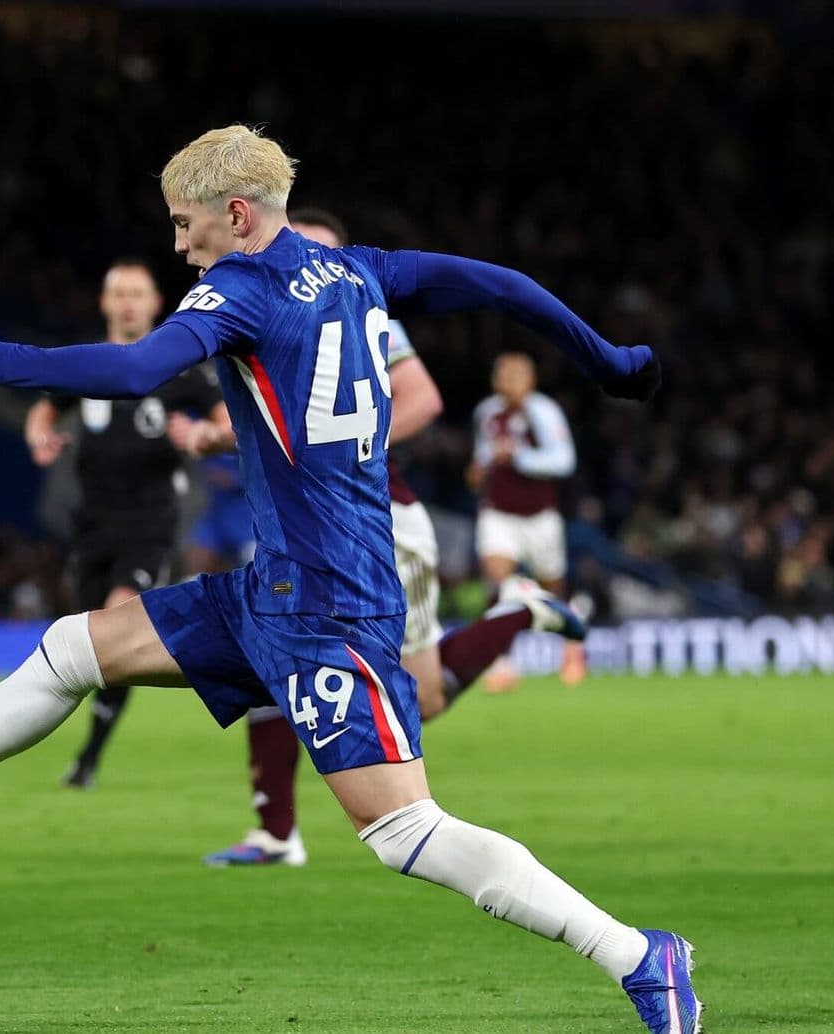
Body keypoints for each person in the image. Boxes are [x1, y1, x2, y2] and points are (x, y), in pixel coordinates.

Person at [0, 125, 696, 1032]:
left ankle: (634, 955)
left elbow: (134, 374)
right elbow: (494, 282)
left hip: (329, 604)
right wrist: (601, 356)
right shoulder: (361, 269)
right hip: (273, 590)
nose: (179, 246)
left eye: (184, 226)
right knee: (72, 650)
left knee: (405, 832)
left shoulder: (241, 292)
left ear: (238, 216)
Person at [196, 209, 587, 868]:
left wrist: (342, 452)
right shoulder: (260, 306)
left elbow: (424, 400)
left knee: (420, 697)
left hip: (379, 523)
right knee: (269, 652)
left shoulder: (360, 307)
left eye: (319, 250)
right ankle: (275, 832)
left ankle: (520, 610)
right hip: (309, 530)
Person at [20, 260, 205, 789]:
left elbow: (222, 418)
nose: (127, 303)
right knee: (86, 636)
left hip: (150, 523)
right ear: (105, 304)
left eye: (137, 293)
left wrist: (196, 431)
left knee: (113, 623)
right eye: (118, 293)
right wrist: (39, 437)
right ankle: (90, 747)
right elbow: (44, 409)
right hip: (92, 523)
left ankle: (88, 757)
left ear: (154, 304)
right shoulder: (87, 363)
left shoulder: (180, 367)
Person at [471, 350, 588, 685]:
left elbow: (564, 461)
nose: (507, 381)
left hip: (539, 516)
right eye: (502, 374)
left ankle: (571, 644)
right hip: (499, 513)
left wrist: (519, 457)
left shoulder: (544, 412)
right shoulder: (487, 413)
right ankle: (501, 663)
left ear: (530, 380)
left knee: (553, 587)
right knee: (497, 580)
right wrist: (479, 469)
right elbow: (483, 454)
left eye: (515, 374)